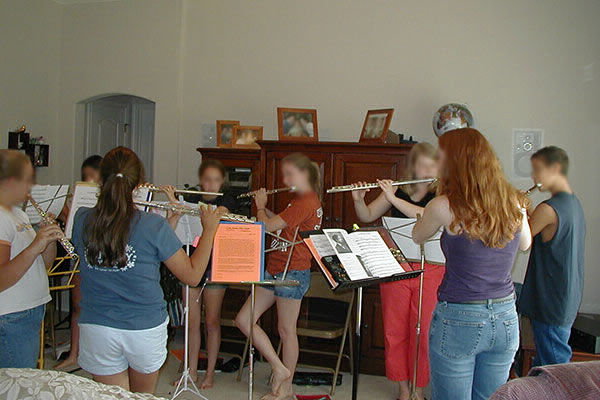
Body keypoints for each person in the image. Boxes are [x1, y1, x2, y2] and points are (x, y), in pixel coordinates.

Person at [71, 147, 222, 394]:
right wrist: (209, 231)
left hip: (97, 327)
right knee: (142, 397)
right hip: (142, 329)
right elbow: (193, 276)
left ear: (101, 180)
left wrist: (167, 225)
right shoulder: (153, 225)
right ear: (138, 184)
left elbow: (122, 239)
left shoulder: (82, 219)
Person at [412, 128, 532, 400]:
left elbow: (417, 235)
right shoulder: (513, 200)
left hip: (459, 318)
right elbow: (525, 243)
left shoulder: (443, 205)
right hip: (505, 317)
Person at [351, 142, 445, 400]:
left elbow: (427, 216)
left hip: (432, 269)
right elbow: (368, 215)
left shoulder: (443, 196)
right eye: (420, 163)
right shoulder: (397, 189)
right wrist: (359, 200)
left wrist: (393, 199)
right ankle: (403, 390)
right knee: (394, 332)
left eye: (431, 163)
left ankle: (419, 389)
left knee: (424, 331)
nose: (425, 168)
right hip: (396, 267)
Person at [235, 153, 323, 400]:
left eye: (291, 174)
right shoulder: (299, 202)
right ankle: (279, 368)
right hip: (275, 268)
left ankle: (286, 388)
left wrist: (261, 206)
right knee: (244, 320)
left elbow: (266, 227)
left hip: (292, 271)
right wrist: (265, 210)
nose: (286, 179)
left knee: (286, 330)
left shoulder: (305, 201)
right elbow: (283, 225)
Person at [518, 146, 585, 367]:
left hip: (549, 299)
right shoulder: (574, 203)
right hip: (566, 297)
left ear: (555, 168)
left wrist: (516, 210)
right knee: (547, 363)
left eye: (538, 170)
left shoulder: (548, 209)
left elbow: (520, 240)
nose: (534, 177)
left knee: (554, 368)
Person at [172, 159, 236, 388]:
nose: (211, 184)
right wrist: (173, 202)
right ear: (201, 180)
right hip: (191, 263)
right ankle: (191, 371)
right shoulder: (190, 198)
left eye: (216, 180)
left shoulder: (228, 199)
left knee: (211, 322)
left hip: (216, 266)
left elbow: (220, 214)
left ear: (222, 182)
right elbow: (178, 218)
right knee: (192, 321)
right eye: (207, 179)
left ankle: (209, 373)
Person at [0, 150, 63, 368]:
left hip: (28, 311)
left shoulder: (19, 214)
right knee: (14, 386)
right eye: (27, 180)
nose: (31, 186)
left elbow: (43, 265)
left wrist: (49, 239)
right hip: (11, 316)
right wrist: (36, 245)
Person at [55, 154, 103, 371]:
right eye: (85, 178)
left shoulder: (109, 200)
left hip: (102, 258)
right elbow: (72, 231)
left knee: (99, 309)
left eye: (93, 178)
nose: (88, 182)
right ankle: (74, 354)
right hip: (81, 257)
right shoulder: (80, 199)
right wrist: (66, 212)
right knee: (77, 306)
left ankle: (97, 354)